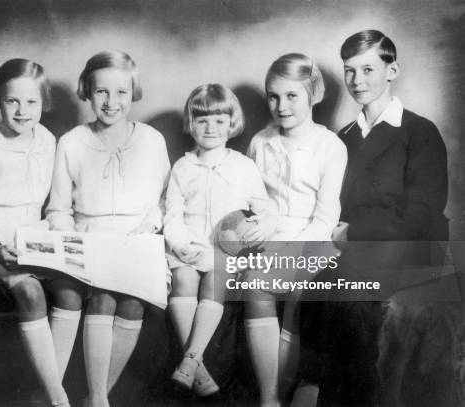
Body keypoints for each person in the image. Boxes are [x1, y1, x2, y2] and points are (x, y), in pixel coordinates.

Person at [296, 30, 449, 407]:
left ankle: (329, 392)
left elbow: (422, 210)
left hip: (410, 251)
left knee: (346, 288)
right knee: (314, 280)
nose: (357, 81)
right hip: (351, 250)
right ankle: (315, 387)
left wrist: (354, 232)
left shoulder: (419, 131)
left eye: (368, 69)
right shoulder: (342, 138)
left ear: (391, 69)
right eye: (349, 71)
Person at [45, 50, 171, 407]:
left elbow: (165, 199)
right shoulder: (71, 142)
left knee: (132, 303)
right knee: (102, 296)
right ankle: (99, 399)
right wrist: (72, 239)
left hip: (138, 238)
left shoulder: (151, 140)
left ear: (133, 93)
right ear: (87, 91)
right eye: (102, 92)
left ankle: (95, 396)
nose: (111, 102)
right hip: (89, 239)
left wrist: (150, 226)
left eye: (121, 92)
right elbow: (58, 208)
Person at [0, 58, 70, 407]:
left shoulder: (48, 140)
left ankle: (47, 388)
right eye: (12, 101)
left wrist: (61, 239)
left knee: (74, 291)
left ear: (44, 104)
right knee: (31, 292)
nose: (22, 111)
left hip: (38, 236)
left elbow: (54, 204)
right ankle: (58, 398)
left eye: (32, 102)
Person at [245, 53, 347, 406]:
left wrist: (291, 247)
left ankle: (299, 391)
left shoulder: (329, 146)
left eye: (291, 96)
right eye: (273, 96)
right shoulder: (260, 142)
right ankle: (269, 397)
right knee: (256, 285)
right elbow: (252, 198)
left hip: (313, 240)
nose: (281, 105)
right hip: (268, 238)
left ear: (313, 95)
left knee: (301, 294)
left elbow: (325, 217)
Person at [164, 83, 277, 398]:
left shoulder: (243, 165)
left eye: (218, 120)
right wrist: (178, 242)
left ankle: (190, 359)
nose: (210, 127)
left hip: (223, 253)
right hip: (188, 246)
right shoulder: (183, 167)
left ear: (232, 123)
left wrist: (263, 224)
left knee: (217, 278)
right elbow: (171, 214)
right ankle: (198, 370)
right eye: (202, 120)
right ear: (191, 124)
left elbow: (264, 207)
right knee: (183, 278)